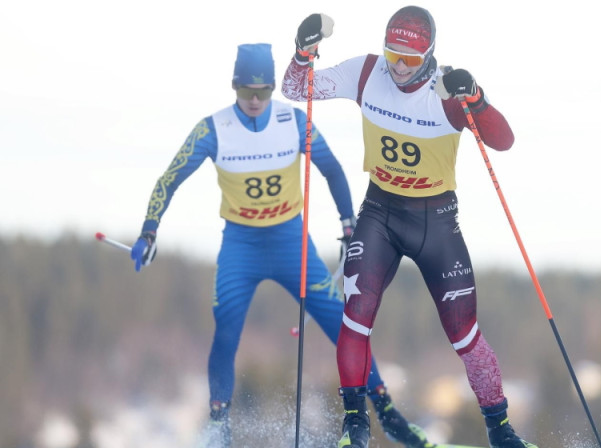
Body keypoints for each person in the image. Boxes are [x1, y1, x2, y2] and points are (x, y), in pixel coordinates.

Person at [130, 43, 428, 448]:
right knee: (226, 331)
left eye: (263, 91)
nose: (254, 100)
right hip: (241, 246)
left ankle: (386, 411)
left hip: (291, 243)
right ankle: (219, 424)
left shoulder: (293, 120)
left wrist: (348, 227)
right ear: (234, 87)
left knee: (345, 325)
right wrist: (149, 231)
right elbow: (170, 178)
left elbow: (333, 170)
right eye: (246, 91)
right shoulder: (213, 129)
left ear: (272, 88)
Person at [282, 7, 538, 448]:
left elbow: (504, 141)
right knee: (355, 317)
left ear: (430, 56)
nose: (399, 68)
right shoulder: (366, 73)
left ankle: (500, 432)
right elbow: (294, 89)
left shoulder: (446, 92)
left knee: (464, 332)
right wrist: (303, 54)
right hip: (380, 213)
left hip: (435, 222)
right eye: (393, 55)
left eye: (411, 60)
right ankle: (355, 427)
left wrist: (475, 97)